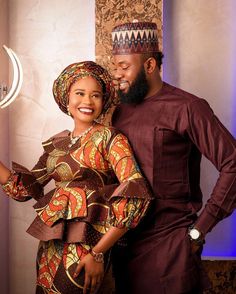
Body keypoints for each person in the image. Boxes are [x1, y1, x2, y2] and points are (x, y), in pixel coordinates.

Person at [0, 61, 153, 294]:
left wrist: (98, 253)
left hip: (90, 246)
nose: (88, 101)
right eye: (80, 93)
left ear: (103, 101)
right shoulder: (56, 144)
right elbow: (24, 190)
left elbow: (135, 196)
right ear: (67, 99)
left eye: (96, 95)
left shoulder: (110, 138)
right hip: (51, 244)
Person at [111, 21, 236, 294]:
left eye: (124, 66)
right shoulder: (119, 112)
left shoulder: (188, 107)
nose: (117, 74)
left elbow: (233, 163)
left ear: (150, 66)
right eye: (115, 66)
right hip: (122, 247)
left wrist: (198, 230)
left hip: (171, 248)